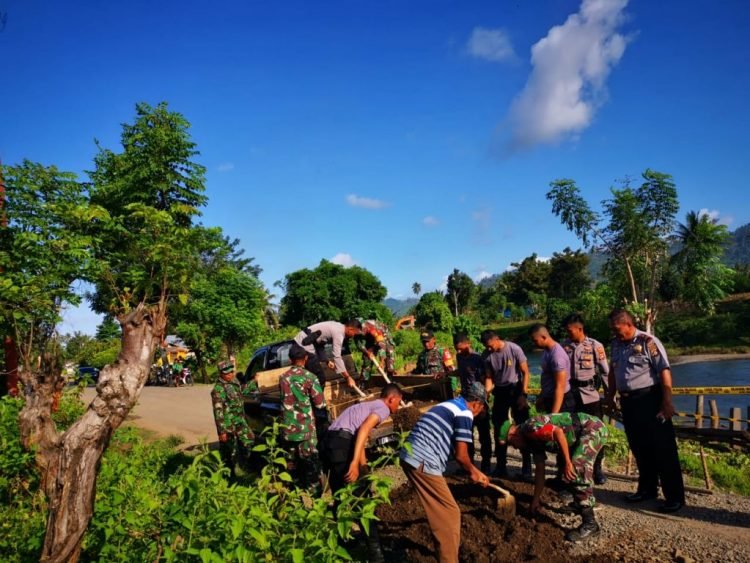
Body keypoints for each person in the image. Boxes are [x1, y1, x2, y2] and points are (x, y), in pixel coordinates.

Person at [400, 382, 490, 563]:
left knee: (440, 513)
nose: (479, 413)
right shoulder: (464, 412)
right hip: (423, 459)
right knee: (450, 513)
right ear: (476, 403)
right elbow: (461, 455)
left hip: (409, 454)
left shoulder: (446, 405)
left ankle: (443, 553)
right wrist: (474, 471)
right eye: (481, 408)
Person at [605, 309, 685, 513]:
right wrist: (610, 396)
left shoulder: (648, 342)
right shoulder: (615, 344)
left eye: (617, 329)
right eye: (612, 329)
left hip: (650, 400)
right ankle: (647, 489)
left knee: (663, 449)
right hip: (628, 402)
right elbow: (613, 371)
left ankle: (674, 497)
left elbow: (664, 371)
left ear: (628, 324)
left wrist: (667, 402)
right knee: (639, 447)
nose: (615, 333)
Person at [320, 384, 403, 563]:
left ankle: (342, 540)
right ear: (391, 399)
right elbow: (364, 430)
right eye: (398, 402)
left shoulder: (365, 406)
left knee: (339, 495)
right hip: (342, 445)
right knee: (363, 499)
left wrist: (363, 466)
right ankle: (377, 555)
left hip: (329, 443)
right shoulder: (383, 408)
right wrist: (354, 463)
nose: (398, 407)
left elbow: (359, 435)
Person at [498, 412, 609, 542]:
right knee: (566, 470)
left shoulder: (530, 428)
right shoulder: (531, 442)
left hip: (591, 429)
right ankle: (578, 504)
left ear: (513, 434)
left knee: (576, 469)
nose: (515, 447)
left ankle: (590, 524)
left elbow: (558, 432)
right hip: (577, 435)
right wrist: (535, 500)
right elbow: (540, 471)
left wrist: (568, 462)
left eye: (512, 444)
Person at [562, 313, 610, 485]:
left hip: (589, 394)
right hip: (570, 394)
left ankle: (597, 469)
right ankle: (570, 469)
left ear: (580, 329)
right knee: (570, 431)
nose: (568, 334)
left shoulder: (595, 346)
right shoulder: (564, 347)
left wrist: (610, 396)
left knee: (596, 431)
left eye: (570, 330)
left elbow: (605, 372)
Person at [481, 330, 532, 480]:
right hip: (500, 391)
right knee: (499, 428)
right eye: (486, 347)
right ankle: (501, 466)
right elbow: (489, 378)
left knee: (524, 426)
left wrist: (524, 394)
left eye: (490, 345)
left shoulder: (514, 349)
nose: (489, 349)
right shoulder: (487, 355)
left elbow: (525, 372)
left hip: (516, 389)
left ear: (497, 339)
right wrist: (485, 394)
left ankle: (527, 467)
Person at [279, 344, 327, 495]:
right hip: (305, 429)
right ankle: (315, 497)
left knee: (292, 464)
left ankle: (295, 495)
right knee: (311, 464)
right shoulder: (310, 377)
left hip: (288, 429)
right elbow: (320, 404)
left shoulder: (283, 378)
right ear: (305, 358)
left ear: (290, 359)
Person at [453, 333, 492, 473]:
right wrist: (446, 374)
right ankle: (469, 465)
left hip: (478, 401)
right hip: (465, 401)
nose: (459, 351)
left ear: (468, 343)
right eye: (457, 349)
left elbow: (487, 378)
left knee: (484, 434)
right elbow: (461, 372)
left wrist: (484, 398)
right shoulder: (459, 357)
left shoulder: (478, 358)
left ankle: (486, 465)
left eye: (461, 348)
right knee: (466, 434)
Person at [211, 360, 256, 477]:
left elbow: (242, 391)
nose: (230, 374)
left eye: (231, 372)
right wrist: (222, 431)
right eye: (227, 373)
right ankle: (228, 474)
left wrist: (254, 382)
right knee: (229, 450)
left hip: (239, 420)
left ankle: (244, 465)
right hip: (228, 424)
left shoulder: (234, 382)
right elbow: (218, 412)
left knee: (249, 439)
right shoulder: (218, 389)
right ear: (221, 373)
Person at [293, 319, 362, 388]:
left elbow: (320, 344)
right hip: (303, 343)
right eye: (354, 333)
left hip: (302, 342)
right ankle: (315, 394)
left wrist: (327, 361)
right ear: (350, 329)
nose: (353, 336)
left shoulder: (338, 326)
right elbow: (337, 357)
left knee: (312, 375)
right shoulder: (339, 333)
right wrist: (348, 377)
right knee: (320, 378)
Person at [528, 324, 575, 414]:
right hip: (550, 398)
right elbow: (546, 376)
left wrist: (554, 415)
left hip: (561, 402)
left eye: (535, 340)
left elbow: (560, 387)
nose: (534, 343)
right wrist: (541, 397)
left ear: (543, 337)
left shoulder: (557, 356)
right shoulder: (547, 350)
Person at [356, 318, 396, 387]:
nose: (361, 331)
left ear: (366, 326)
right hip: (370, 340)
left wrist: (382, 361)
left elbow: (381, 345)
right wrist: (367, 352)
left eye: (363, 329)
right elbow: (359, 345)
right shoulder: (356, 330)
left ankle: (390, 380)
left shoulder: (374, 328)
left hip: (384, 337)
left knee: (389, 356)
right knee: (367, 360)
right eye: (360, 330)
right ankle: (363, 383)